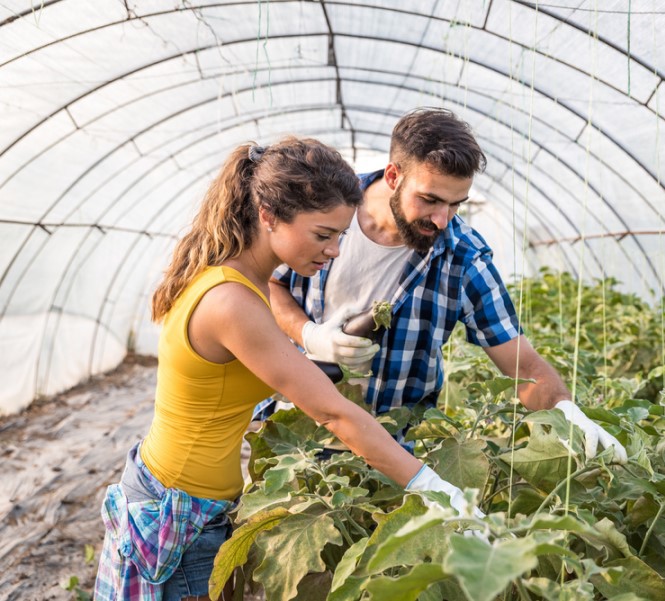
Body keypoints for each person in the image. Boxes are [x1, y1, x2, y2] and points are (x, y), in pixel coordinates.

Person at [93, 137, 472, 601]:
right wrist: (426, 483)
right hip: (178, 512)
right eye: (321, 234)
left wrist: (316, 344)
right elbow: (331, 413)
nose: (333, 251)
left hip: (186, 498)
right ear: (269, 214)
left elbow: (265, 371)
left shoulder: (237, 281)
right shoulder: (231, 301)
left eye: (339, 236)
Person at [268, 108, 627, 464]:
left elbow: (523, 366)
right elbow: (268, 282)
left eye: (457, 204)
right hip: (292, 430)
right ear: (394, 176)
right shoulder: (325, 207)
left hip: (385, 451)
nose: (442, 219)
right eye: (430, 200)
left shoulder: (463, 257)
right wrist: (309, 335)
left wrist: (565, 412)